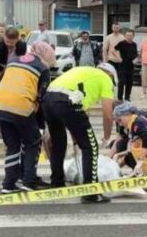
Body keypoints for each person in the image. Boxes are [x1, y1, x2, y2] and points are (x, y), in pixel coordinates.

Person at [42, 63, 118, 203]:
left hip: (48, 99)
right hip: (67, 102)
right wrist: (107, 137)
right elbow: (108, 114)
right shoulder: (105, 79)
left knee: (59, 144)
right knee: (91, 147)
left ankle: (57, 182)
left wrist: (77, 138)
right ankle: (90, 191)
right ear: (111, 75)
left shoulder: (83, 72)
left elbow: (77, 118)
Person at [0, 41, 57, 193]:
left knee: (12, 146)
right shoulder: (43, 69)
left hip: (0, 106)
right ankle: (28, 181)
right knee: (33, 142)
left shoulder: (13, 61)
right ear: (46, 55)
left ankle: (8, 184)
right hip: (22, 106)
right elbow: (42, 96)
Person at [0, 27, 27, 139]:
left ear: (17, 39)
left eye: (12, 43)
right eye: (7, 42)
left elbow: (22, 63)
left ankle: (12, 126)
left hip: (12, 75)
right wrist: (3, 81)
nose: (10, 44)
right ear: (4, 37)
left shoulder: (22, 46)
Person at [114, 28, 138, 102]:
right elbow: (114, 50)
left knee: (129, 83)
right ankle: (120, 98)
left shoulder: (134, 44)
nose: (129, 37)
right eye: (127, 35)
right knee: (122, 82)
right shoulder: (122, 43)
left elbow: (136, 54)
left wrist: (135, 59)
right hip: (122, 66)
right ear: (125, 36)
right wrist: (118, 57)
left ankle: (127, 97)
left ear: (133, 36)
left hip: (130, 66)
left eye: (130, 35)